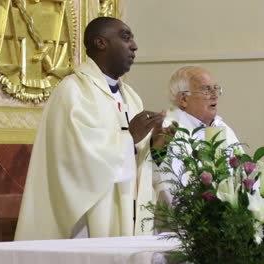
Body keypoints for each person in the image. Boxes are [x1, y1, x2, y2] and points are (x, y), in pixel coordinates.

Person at [15, 17, 169, 240]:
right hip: (87, 223)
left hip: (128, 216)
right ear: (100, 43)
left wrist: (157, 144)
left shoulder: (131, 96)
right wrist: (129, 138)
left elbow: (136, 164)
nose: (134, 46)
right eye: (126, 38)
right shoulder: (73, 92)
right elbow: (76, 161)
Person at [152, 66, 242, 205]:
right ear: (183, 99)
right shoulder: (167, 130)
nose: (214, 95)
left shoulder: (224, 129)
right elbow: (164, 182)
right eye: (206, 90)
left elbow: (243, 174)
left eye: (216, 88)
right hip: (183, 221)